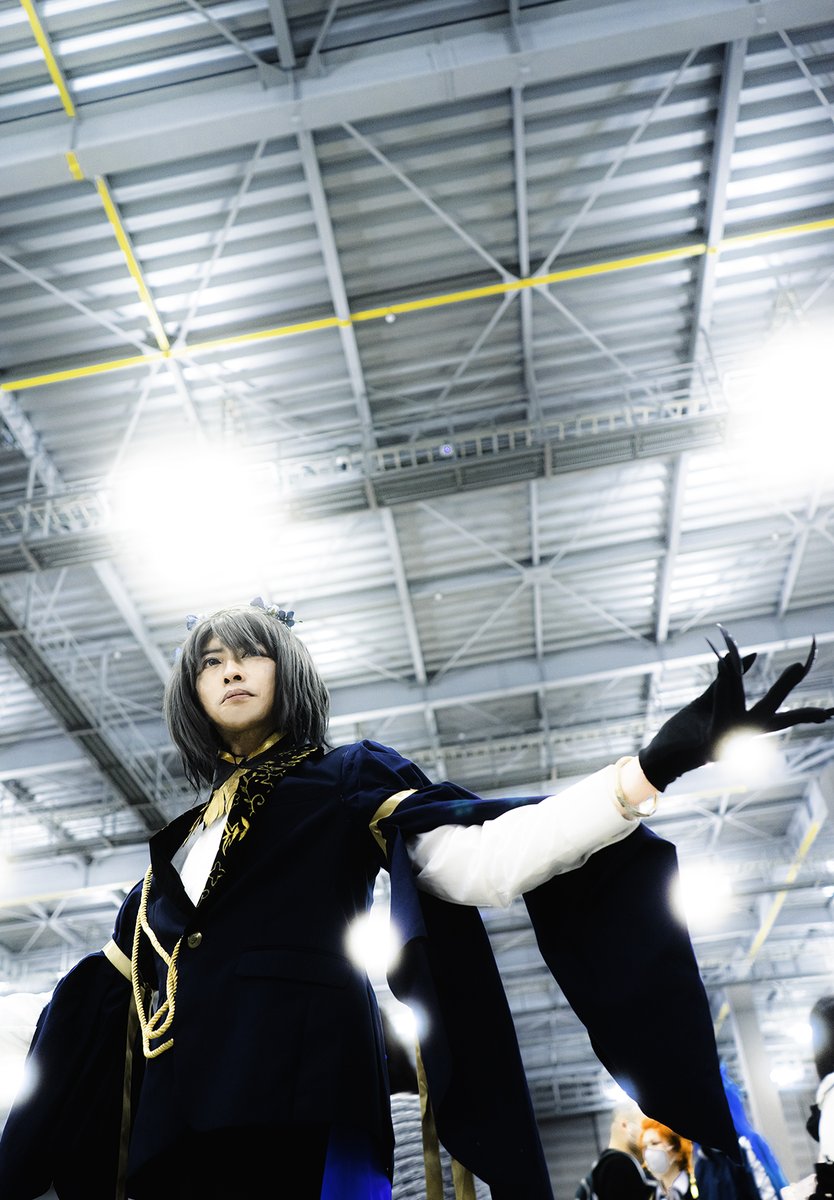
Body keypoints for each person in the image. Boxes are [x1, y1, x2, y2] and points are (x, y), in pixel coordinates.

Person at [0, 604, 830, 1200]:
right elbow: (90, 1015)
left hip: (302, 1103)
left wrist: (646, 771)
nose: (230, 669)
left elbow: (479, 861)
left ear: (288, 674)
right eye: (210, 660)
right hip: (175, 1133)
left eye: (250, 654)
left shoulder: (346, 777)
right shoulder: (171, 857)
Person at [575, 1098, 654, 1199]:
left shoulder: (602, 1168)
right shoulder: (620, 1166)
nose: (649, 1136)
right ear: (625, 1125)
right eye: (645, 1127)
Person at [642, 1119, 698, 1199]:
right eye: (645, 1146)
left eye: (654, 1143)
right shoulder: (647, 1193)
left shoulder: (700, 1187)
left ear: (677, 1148)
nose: (648, 1152)